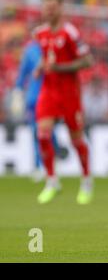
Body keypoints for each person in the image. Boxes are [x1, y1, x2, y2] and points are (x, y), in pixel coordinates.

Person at [33, 0, 94, 205]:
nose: (48, 11)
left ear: (60, 9)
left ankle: (86, 181)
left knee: (76, 140)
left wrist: (60, 67)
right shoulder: (39, 33)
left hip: (69, 93)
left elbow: (87, 61)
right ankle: (52, 181)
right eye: (46, 8)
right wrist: (41, 67)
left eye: (52, 8)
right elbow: (46, 56)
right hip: (48, 92)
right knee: (42, 134)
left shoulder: (70, 32)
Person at [10, 40, 60, 182]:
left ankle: (52, 161)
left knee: (49, 132)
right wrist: (17, 92)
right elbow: (23, 73)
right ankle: (41, 166)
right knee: (37, 132)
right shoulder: (31, 50)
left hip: (53, 97)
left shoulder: (55, 48)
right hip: (34, 98)